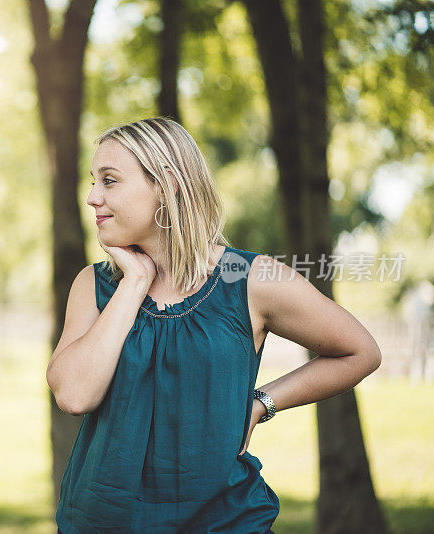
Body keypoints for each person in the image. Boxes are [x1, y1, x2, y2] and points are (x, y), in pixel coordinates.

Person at [46, 117, 382, 533]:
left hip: (224, 522)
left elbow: (360, 352)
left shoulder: (250, 278)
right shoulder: (93, 285)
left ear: (166, 186)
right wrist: (134, 280)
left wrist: (262, 403)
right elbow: (74, 395)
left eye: (109, 181)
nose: (92, 197)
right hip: (101, 522)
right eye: (93, 180)